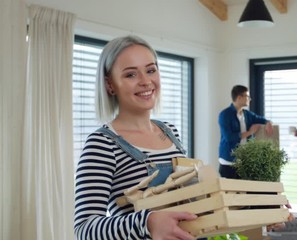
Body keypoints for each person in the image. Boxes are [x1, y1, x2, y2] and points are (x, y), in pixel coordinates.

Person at [73, 35, 197, 240]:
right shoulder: (102, 144)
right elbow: (84, 229)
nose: (146, 81)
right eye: (131, 75)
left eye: (151, 70)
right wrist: (147, 223)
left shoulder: (170, 132)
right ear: (110, 85)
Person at [218, 85, 273, 179]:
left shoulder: (247, 114)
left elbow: (262, 119)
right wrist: (250, 132)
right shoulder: (224, 115)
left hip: (243, 161)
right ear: (239, 97)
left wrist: (268, 122)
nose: (250, 99)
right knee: (231, 192)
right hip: (228, 162)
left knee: (243, 192)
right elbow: (229, 138)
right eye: (247, 96)